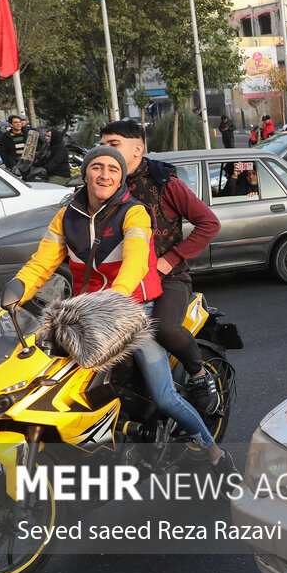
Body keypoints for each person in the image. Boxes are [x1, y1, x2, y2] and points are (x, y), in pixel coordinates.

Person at [10, 145, 232, 471]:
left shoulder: (134, 211)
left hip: (132, 309)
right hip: (86, 311)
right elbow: (41, 264)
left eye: (113, 169)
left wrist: (117, 297)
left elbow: (136, 257)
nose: (105, 174)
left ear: (120, 178)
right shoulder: (67, 216)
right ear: (85, 173)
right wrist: (16, 288)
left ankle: (213, 452)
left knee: (165, 396)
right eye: (97, 167)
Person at [99, 119, 223, 410]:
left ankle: (200, 374)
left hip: (168, 278)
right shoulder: (102, 186)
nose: (105, 152)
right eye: (102, 146)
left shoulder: (166, 185)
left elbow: (209, 223)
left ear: (137, 149)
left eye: (113, 145)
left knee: (164, 328)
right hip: (120, 282)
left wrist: (172, 259)